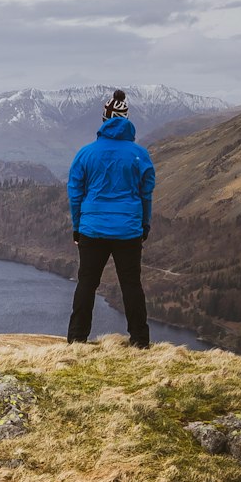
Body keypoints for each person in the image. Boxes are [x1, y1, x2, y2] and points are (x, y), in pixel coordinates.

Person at [66, 88, 155, 348]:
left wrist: (77, 227)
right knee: (131, 285)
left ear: (104, 120)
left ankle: (77, 340)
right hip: (128, 230)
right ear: (126, 120)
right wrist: (144, 225)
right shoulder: (139, 155)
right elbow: (146, 194)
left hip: (92, 230)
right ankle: (140, 341)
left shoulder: (86, 153)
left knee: (86, 283)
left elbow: (75, 194)